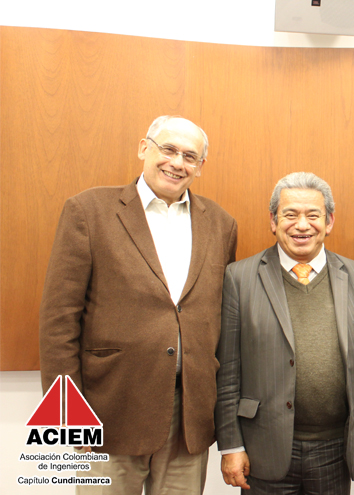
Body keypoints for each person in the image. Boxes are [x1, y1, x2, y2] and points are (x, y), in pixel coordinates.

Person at [39, 115, 238, 493]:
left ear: (200, 166)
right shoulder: (88, 210)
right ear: (144, 148)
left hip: (188, 417)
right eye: (169, 149)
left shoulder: (221, 224)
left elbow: (221, 322)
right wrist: (68, 416)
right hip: (109, 410)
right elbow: (59, 321)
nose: (177, 163)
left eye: (190, 156)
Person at [215, 172, 354, 495]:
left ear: (329, 221)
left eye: (313, 215)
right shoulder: (239, 278)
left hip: (336, 447)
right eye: (290, 214)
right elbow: (227, 373)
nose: (302, 225)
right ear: (273, 221)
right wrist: (230, 445)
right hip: (263, 444)